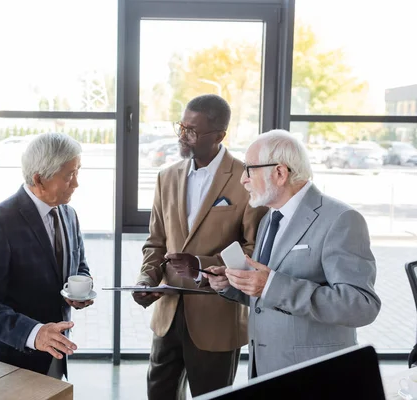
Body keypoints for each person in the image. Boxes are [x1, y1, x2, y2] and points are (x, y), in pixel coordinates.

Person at [206, 129, 381, 378]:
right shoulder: (270, 217)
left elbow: (361, 306)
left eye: (249, 170)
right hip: (265, 369)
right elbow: (268, 298)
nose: (243, 180)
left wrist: (270, 285)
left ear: (279, 173)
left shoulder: (341, 219)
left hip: (315, 375)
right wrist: (234, 284)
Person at [133, 94, 267, 399]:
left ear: (219, 135)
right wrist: (146, 279)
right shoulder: (166, 177)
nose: (183, 136)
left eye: (192, 131)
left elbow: (255, 250)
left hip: (217, 319)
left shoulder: (245, 179)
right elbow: (155, 241)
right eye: (181, 127)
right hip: (166, 316)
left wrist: (201, 265)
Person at [0, 133, 93, 380]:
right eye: (69, 175)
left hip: (55, 353)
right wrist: (35, 334)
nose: (76, 183)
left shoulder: (69, 214)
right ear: (40, 179)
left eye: (77, 172)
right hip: (11, 362)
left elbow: (79, 266)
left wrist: (79, 291)